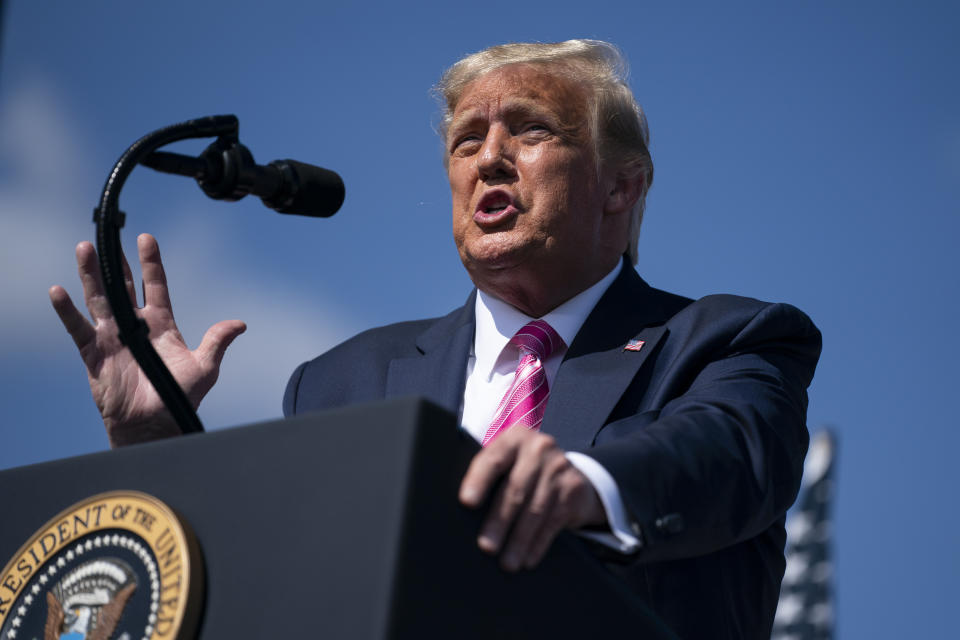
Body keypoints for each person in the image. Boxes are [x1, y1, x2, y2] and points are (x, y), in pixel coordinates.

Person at [50, 40, 821, 638]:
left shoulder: (724, 340)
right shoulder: (340, 381)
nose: (489, 157)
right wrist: (158, 450)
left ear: (622, 184)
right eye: (466, 141)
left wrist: (585, 482)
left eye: (530, 130)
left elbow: (730, 453)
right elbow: (263, 584)